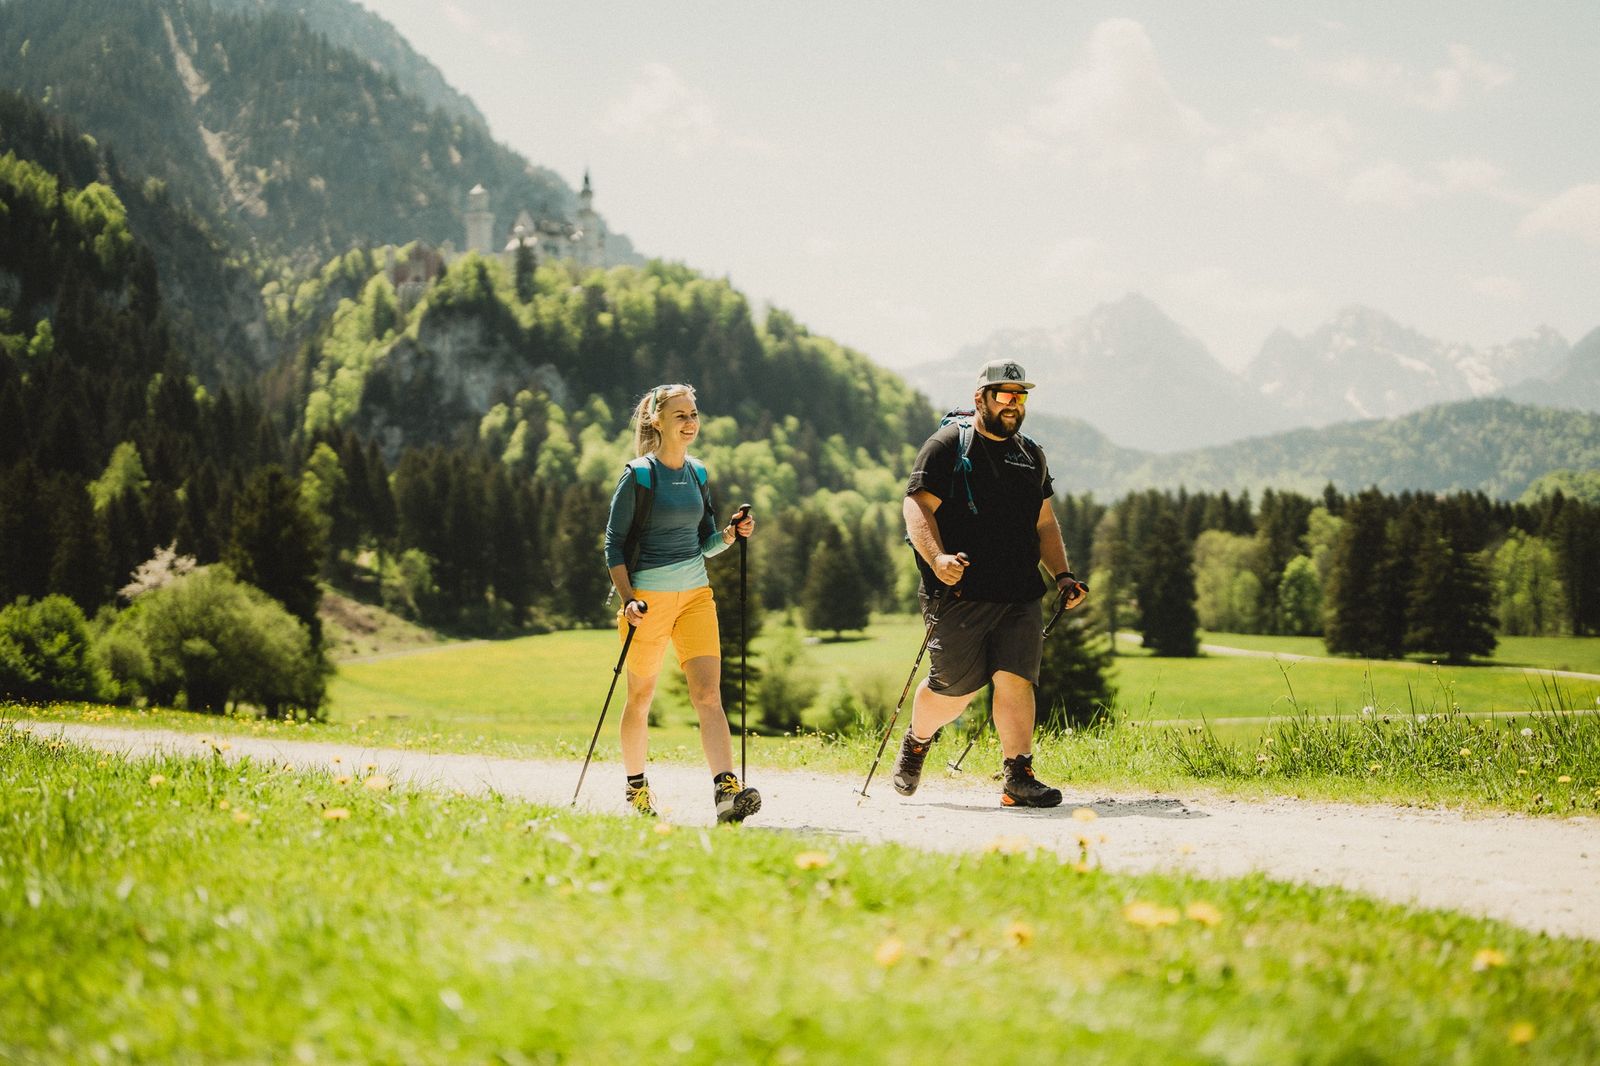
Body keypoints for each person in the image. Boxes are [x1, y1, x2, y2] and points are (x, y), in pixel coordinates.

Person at [893, 359, 1088, 807]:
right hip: (959, 592)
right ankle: (919, 739)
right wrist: (938, 558)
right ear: (980, 398)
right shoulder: (946, 445)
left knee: (1016, 678)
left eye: (1021, 396)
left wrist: (1062, 576)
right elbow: (916, 507)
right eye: (1004, 394)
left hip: (1020, 593)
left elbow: (1044, 522)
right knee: (955, 691)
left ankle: (1018, 775)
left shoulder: (1030, 454)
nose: (1014, 404)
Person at [603, 383, 760, 823]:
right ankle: (636, 789)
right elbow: (613, 545)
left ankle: (726, 791)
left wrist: (730, 534)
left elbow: (704, 543)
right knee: (640, 697)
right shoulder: (638, 475)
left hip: (695, 596)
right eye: (681, 416)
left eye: (694, 414)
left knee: (708, 694)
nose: (691, 423)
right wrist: (629, 600)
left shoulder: (699, 473)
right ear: (657, 421)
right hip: (648, 602)